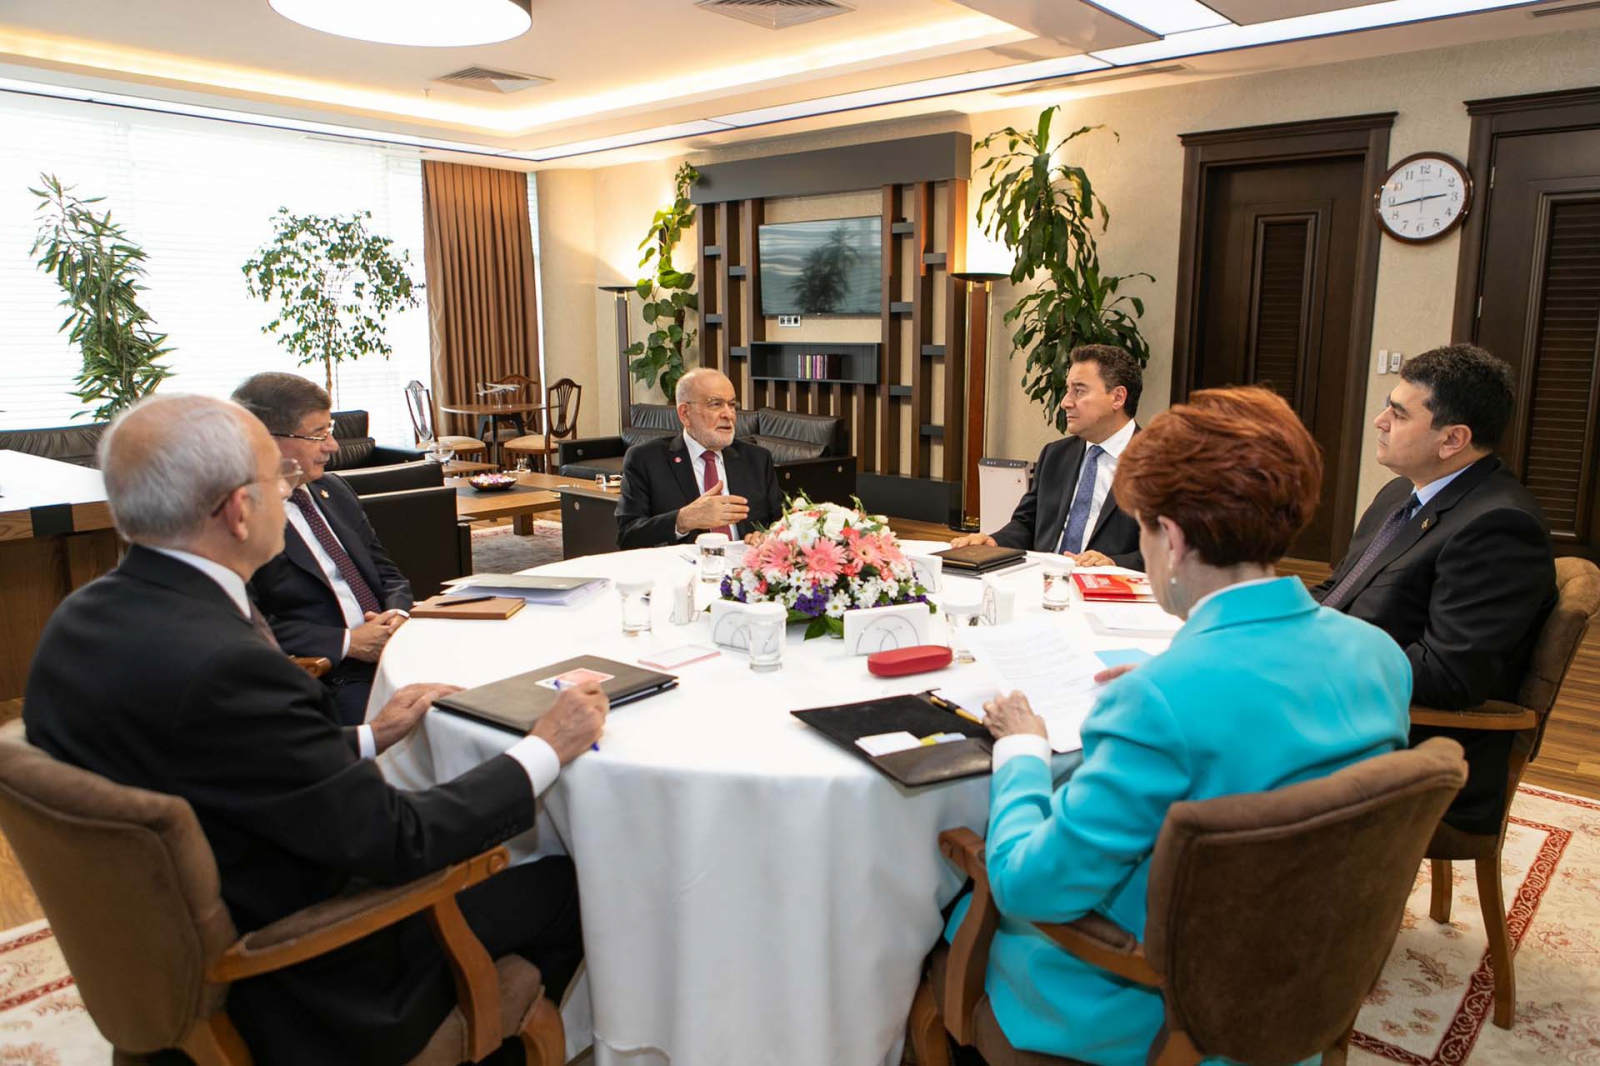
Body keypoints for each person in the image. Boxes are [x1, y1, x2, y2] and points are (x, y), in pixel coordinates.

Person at [24, 394, 607, 1066]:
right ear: (239, 512)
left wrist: (370, 735)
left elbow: (232, 761)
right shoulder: (232, 666)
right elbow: (401, 840)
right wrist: (544, 747)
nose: (292, 490)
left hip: (160, 949)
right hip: (309, 983)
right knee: (569, 880)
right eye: (279, 478)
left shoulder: (76, 621)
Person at [948, 387, 1411, 1065]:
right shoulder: (1378, 655)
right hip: (1297, 982)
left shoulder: (1160, 702)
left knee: (947, 907)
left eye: (1141, 528)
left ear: (1172, 537)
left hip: (1145, 1015)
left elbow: (1028, 885)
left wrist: (1021, 748)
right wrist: (1161, 681)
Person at [1313, 344, 1556, 835]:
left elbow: (1448, 677)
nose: (1380, 421)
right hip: (1351, 708)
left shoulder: (1499, 526)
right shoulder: (1401, 493)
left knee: (1212, 737)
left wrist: (1318, 653)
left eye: (1399, 414)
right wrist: (1266, 618)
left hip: (1413, 750)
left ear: (1453, 439)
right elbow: (1339, 590)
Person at [232, 372, 410, 725]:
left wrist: (396, 614)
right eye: (318, 435)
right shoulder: (238, 515)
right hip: (329, 675)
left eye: (331, 430)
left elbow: (386, 572)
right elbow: (245, 622)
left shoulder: (334, 490)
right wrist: (348, 642)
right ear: (266, 440)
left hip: (396, 648)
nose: (333, 446)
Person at [950, 344, 1143, 569]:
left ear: (1118, 397)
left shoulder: (1161, 465)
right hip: (1043, 580)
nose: (1065, 402)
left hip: (1111, 587)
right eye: (1068, 390)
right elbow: (1026, 524)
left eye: (1079, 391)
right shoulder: (1055, 455)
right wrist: (994, 542)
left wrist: (1113, 563)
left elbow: (1171, 554)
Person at [615, 367, 784, 549]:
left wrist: (767, 535)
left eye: (732, 405)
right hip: (681, 565)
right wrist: (683, 520)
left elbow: (783, 522)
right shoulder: (645, 460)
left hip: (744, 563)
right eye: (716, 404)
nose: (728, 414)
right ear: (685, 414)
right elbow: (628, 536)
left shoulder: (757, 459)